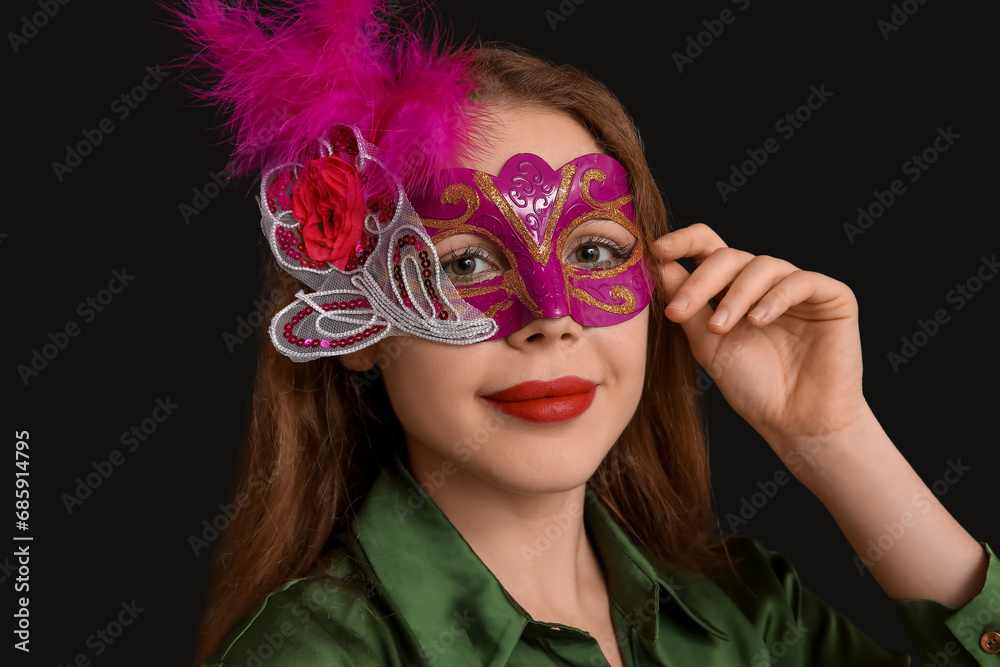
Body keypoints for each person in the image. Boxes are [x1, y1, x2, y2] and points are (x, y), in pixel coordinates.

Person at [178, 1, 999, 665]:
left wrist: (836, 436)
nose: (552, 317)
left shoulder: (747, 618)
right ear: (353, 326)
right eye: (464, 263)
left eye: (594, 249)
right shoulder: (315, 656)